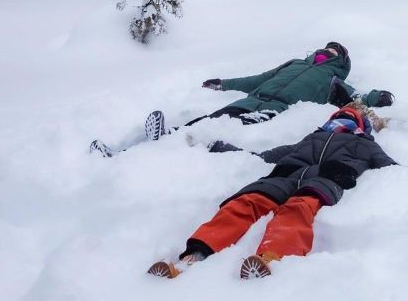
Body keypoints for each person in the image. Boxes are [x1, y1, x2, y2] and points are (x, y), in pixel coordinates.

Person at [146, 104, 394, 280]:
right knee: (245, 202)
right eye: (338, 117)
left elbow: (392, 169)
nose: (340, 122)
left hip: (327, 178)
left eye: (348, 119)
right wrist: (221, 147)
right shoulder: (310, 138)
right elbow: (265, 155)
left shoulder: (366, 144)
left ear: (360, 126)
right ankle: (193, 257)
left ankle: (272, 258)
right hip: (284, 176)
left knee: (297, 210)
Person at [90, 41, 393, 156]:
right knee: (211, 120)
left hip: (275, 108)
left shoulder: (333, 79)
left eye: (335, 51)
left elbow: (357, 97)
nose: (328, 51)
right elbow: (257, 78)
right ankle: (160, 139)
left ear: (340, 60)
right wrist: (224, 83)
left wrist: (379, 96)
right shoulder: (294, 63)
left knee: (225, 129)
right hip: (255, 97)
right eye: (327, 47)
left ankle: (180, 148)